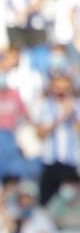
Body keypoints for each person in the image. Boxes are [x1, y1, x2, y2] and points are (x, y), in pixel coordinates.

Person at [36, 76, 79, 205]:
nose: (61, 92)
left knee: (71, 203)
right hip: (50, 161)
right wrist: (60, 117)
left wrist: (71, 116)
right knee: (47, 202)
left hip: (71, 162)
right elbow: (40, 133)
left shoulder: (76, 106)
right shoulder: (45, 106)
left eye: (65, 88)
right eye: (58, 88)